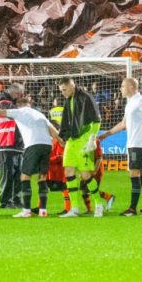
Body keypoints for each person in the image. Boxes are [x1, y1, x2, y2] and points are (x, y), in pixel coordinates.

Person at [0, 95, 61, 218]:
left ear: (18, 105)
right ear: (29, 104)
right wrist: (62, 141)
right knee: (42, 177)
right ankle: (43, 210)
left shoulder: (19, 112)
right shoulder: (40, 114)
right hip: (47, 145)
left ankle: (26, 210)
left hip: (33, 145)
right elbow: (53, 130)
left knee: (24, 177)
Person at [98, 77, 142, 216]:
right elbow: (123, 124)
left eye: (123, 86)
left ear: (132, 87)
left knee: (134, 174)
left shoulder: (141, 101)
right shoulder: (130, 103)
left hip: (139, 143)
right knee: (139, 175)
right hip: (133, 143)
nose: (121, 88)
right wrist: (106, 134)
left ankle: (133, 209)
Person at [57, 77, 102, 217]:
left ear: (71, 85)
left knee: (85, 175)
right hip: (72, 140)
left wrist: (92, 138)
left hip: (84, 140)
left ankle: (99, 204)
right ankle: (74, 208)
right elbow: (67, 121)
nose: (63, 93)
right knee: (68, 172)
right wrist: (64, 136)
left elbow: (97, 119)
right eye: (61, 90)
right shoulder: (68, 100)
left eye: (64, 89)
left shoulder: (86, 97)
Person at [0, 83, 24, 209]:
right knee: (8, 173)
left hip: (18, 144)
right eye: (20, 93)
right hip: (6, 143)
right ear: (14, 93)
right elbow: (13, 112)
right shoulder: (2, 103)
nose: (21, 95)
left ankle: (16, 199)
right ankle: (5, 200)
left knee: (19, 174)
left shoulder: (13, 103)